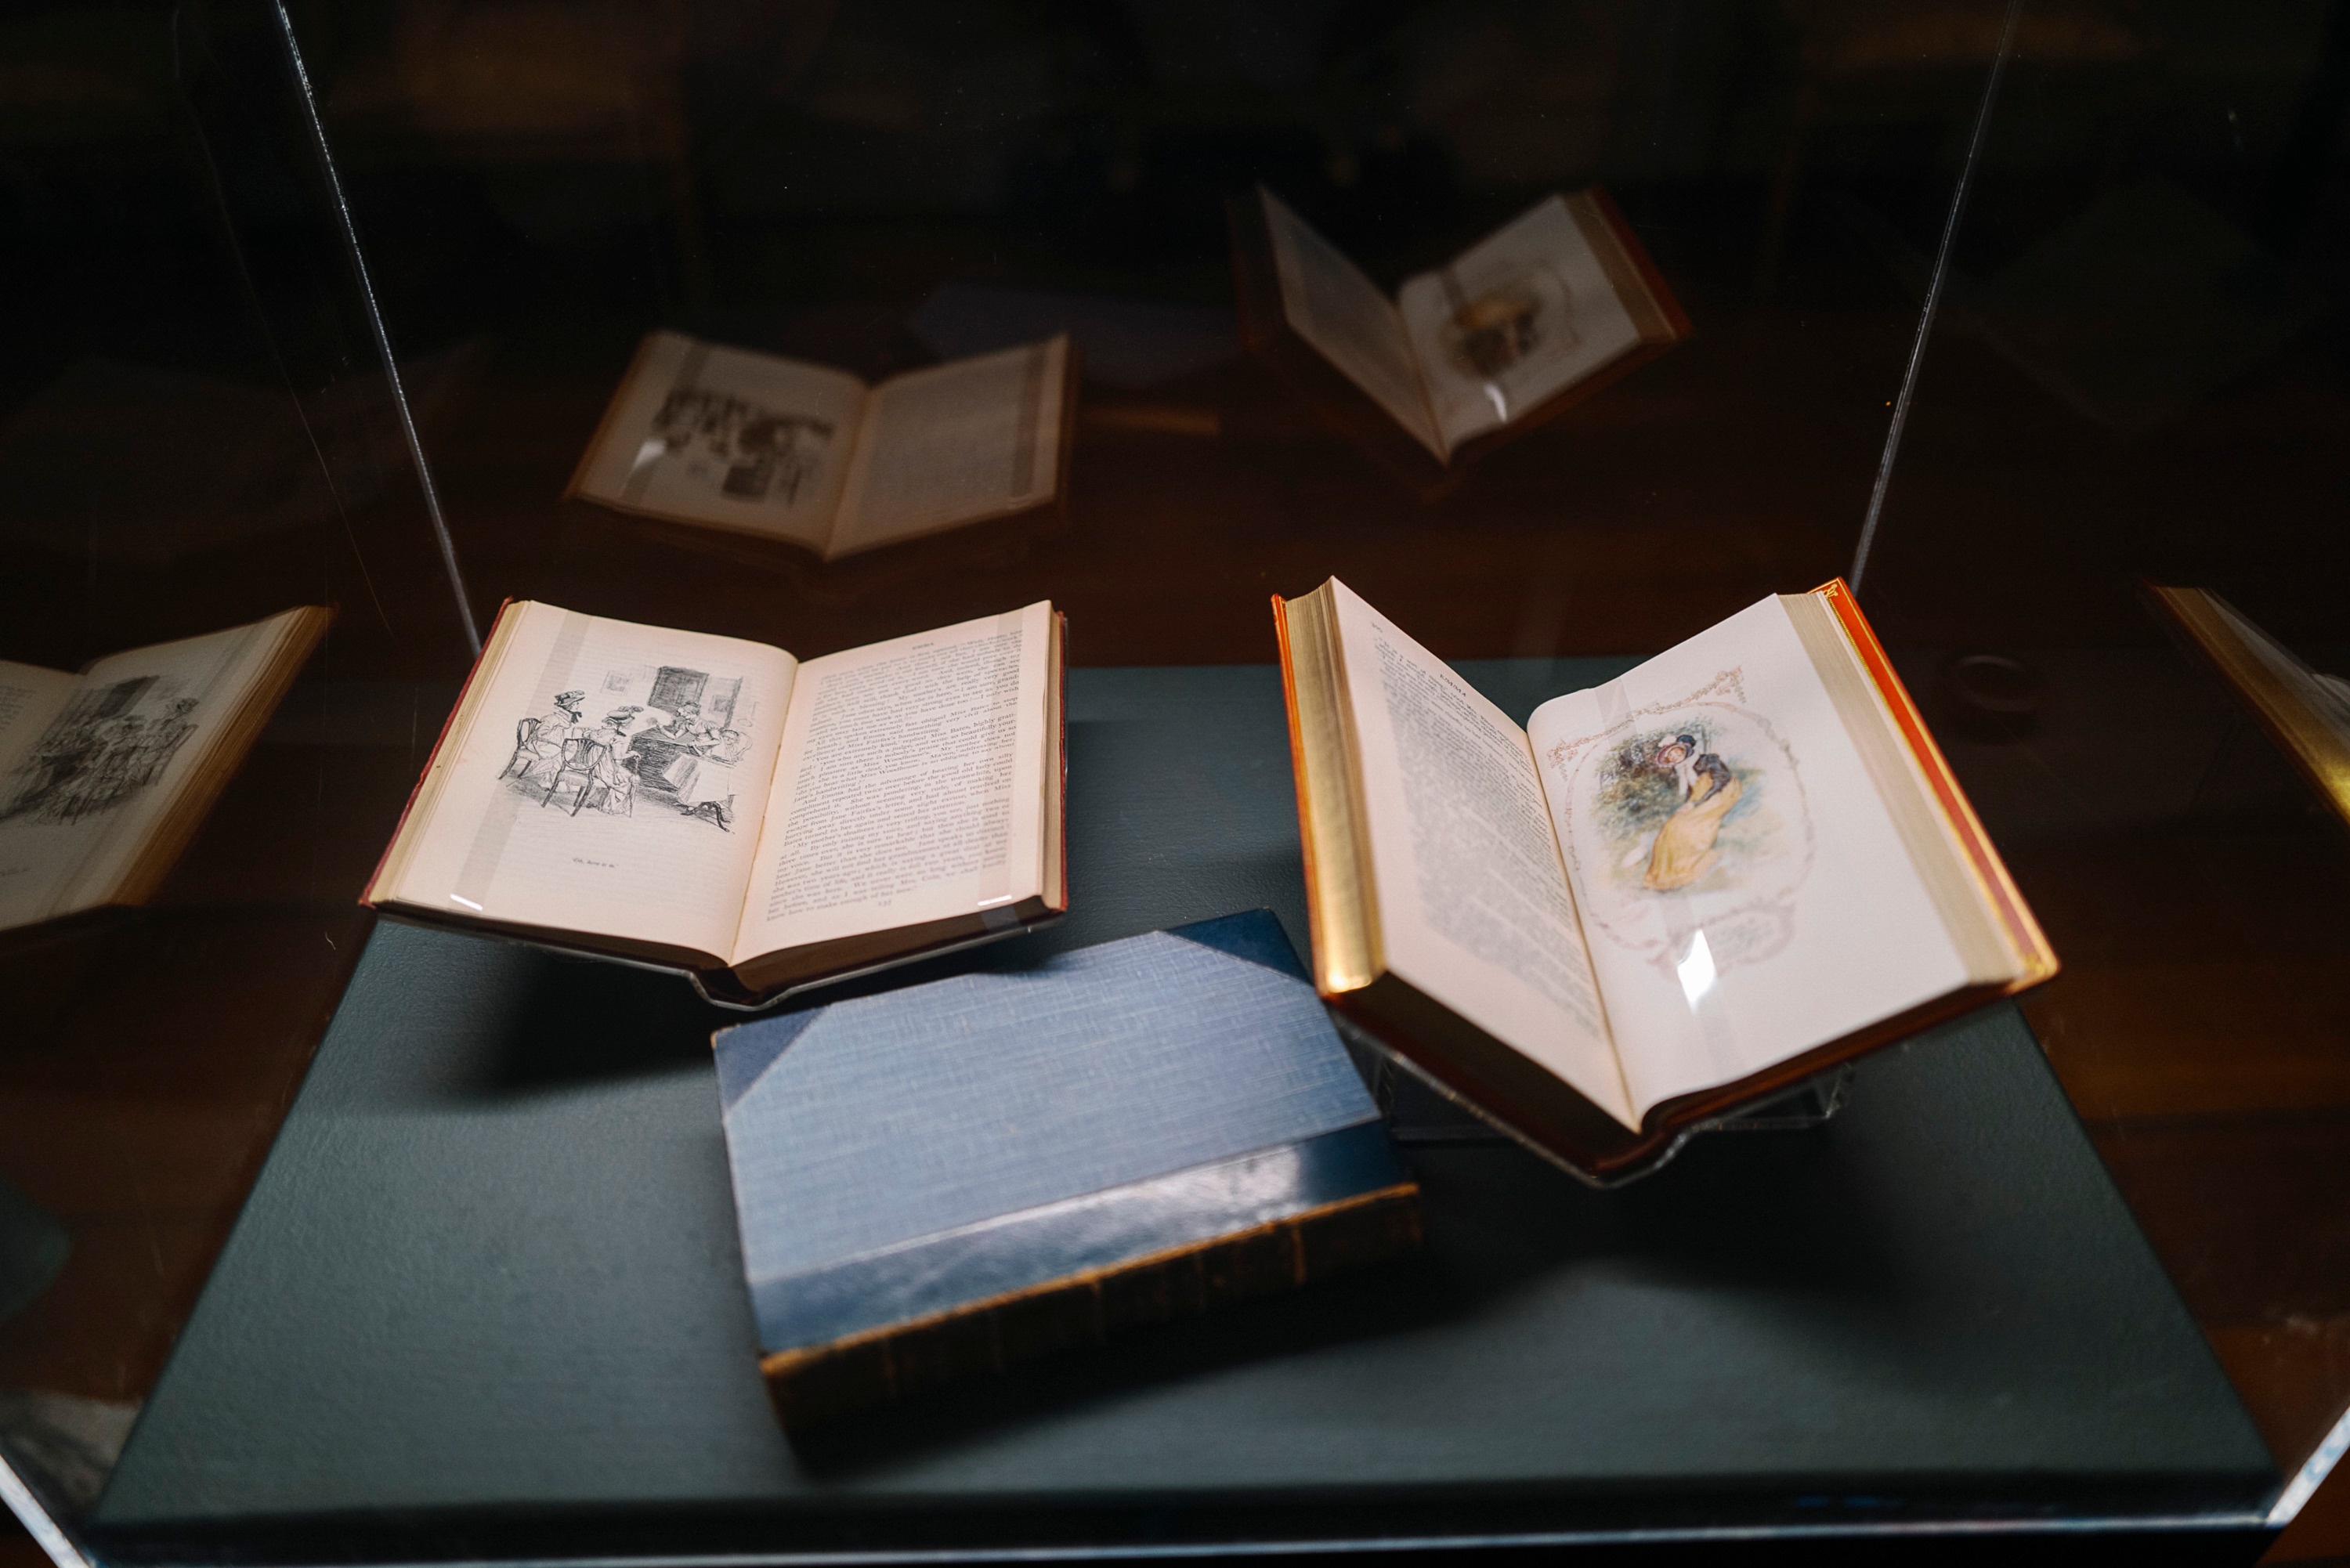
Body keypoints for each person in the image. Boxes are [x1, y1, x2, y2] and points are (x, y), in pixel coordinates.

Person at [1642, 734, 1741, 892]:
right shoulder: (1682, 770)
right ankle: (1668, 875)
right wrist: (1689, 804)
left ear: (1683, 749)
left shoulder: (1707, 760)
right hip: (1699, 798)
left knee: (1686, 825)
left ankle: (1687, 867)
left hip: (1721, 793)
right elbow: (1692, 791)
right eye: (1671, 757)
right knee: (1670, 826)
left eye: (1676, 752)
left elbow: (1721, 780)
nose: (1675, 757)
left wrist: (1696, 804)